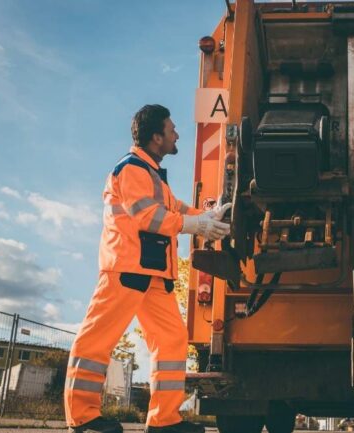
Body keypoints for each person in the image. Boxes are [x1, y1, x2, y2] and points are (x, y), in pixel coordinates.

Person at [64, 105, 231, 433]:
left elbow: (177, 209)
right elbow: (148, 217)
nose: (177, 134)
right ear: (157, 137)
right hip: (125, 271)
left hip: (152, 276)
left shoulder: (153, 176)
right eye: (172, 130)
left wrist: (210, 216)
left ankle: (165, 420)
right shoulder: (131, 169)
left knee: (171, 340)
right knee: (95, 342)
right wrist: (195, 225)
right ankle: (82, 419)